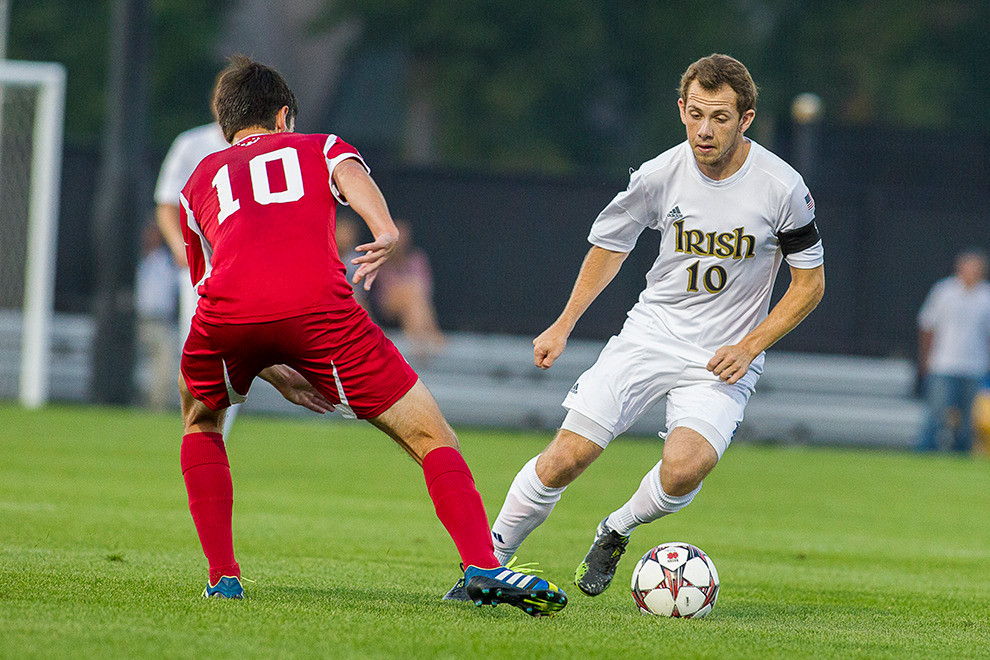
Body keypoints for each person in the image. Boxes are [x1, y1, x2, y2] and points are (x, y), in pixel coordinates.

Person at [177, 55, 566, 616]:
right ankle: (481, 563)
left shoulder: (198, 180)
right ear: (285, 116)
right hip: (321, 312)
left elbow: (212, 290)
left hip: (228, 318)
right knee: (433, 437)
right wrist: (384, 230)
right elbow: (351, 177)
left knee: (201, 420)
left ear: (225, 127)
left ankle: (223, 579)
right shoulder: (319, 145)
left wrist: (267, 366)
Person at [448, 54, 825, 600]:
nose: (704, 129)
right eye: (695, 113)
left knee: (684, 469)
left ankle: (616, 528)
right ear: (681, 109)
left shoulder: (782, 187)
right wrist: (563, 324)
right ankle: (485, 565)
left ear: (746, 120)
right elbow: (610, 244)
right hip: (650, 335)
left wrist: (750, 345)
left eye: (720, 117)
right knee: (565, 458)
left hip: (724, 354)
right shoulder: (659, 173)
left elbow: (809, 285)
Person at [154, 109, 242, 430]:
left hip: (245, 269)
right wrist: (181, 247)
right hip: (202, 269)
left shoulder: (263, 147)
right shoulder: (192, 144)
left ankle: (213, 436)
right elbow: (166, 203)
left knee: (233, 355)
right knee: (201, 354)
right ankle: (203, 434)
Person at [916, 249, 990, 453]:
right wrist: (926, 359)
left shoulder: (986, 296)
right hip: (944, 362)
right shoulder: (944, 291)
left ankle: (962, 453)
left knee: (968, 419)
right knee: (936, 413)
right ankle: (925, 450)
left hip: (974, 366)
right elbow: (927, 325)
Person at [371, 219, 446, 363]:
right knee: (411, 290)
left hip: (414, 304)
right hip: (386, 306)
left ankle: (419, 343)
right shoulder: (381, 258)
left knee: (414, 293)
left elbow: (425, 290)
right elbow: (385, 289)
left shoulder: (417, 258)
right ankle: (432, 334)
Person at [135, 221, 178, 410]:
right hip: (137, 321)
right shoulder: (136, 260)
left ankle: (156, 407)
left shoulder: (168, 261)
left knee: (164, 367)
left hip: (161, 322)